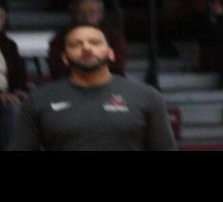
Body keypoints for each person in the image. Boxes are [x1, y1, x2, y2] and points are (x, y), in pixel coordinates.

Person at [9, 23, 175, 151]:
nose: (87, 48)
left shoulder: (146, 96)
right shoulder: (39, 99)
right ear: (64, 58)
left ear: (110, 53)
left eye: (95, 42)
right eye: (76, 45)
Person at [48, 0, 129, 79]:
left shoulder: (114, 36)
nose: (86, 17)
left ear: (100, 15)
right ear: (73, 15)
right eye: (81, 12)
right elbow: (57, 67)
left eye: (92, 12)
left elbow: (117, 65)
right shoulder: (61, 37)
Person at [0, 4, 26, 150]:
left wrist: (18, 89)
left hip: (6, 96)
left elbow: (19, 72)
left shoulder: (8, 44)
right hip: (3, 98)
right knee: (13, 109)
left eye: (1, 17)